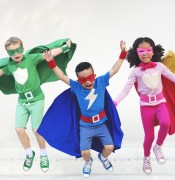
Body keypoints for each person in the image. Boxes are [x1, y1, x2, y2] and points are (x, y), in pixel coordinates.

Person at [114, 37, 175, 174]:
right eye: (141, 51)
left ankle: (158, 147)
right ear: (136, 53)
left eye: (148, 50)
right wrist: (114, 102)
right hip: (146, 106)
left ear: (153, 51)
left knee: (165, 123)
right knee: (149, 136)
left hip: (160, 103)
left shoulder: (159, 66)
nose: (145, 53)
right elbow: (126, 89)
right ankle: (146, 157)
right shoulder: (135, 71)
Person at [42, 41, 126, 178]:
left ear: (94, 75)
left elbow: (114, 70)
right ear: (78, 80)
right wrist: (51, 62)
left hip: (101, 124)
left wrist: (123, 53)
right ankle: (88, 163)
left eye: (90, 77)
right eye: (83, 79)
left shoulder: (101, 82)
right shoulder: (76, 87)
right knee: (85, 153)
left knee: (109, 148)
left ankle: (103, 158)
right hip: (85, 126)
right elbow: (62, 77)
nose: (87, 81)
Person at [0, 37, 74, 172]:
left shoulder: (31, 59)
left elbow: (49, 54)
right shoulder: (9, 66)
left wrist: (64, 48)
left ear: (23, 49)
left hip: (37, 100)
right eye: (12, 52)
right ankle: (29, 154)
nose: (16, 54)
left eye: (18, 50)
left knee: (37, 130)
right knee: (19, 129)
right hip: (22, 102)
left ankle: (43, 155)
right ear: (8, 53)